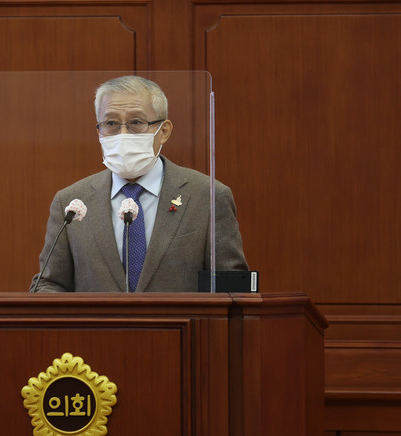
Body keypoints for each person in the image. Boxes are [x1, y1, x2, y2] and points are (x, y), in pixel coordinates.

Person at [30, 75, 247, 292]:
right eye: (111, 124)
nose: (123, 134)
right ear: (99, 131)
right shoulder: (70, 202)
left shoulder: (208, 196)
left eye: (136, 122)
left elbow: (232, 288)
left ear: (164, 131)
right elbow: (49, 284)